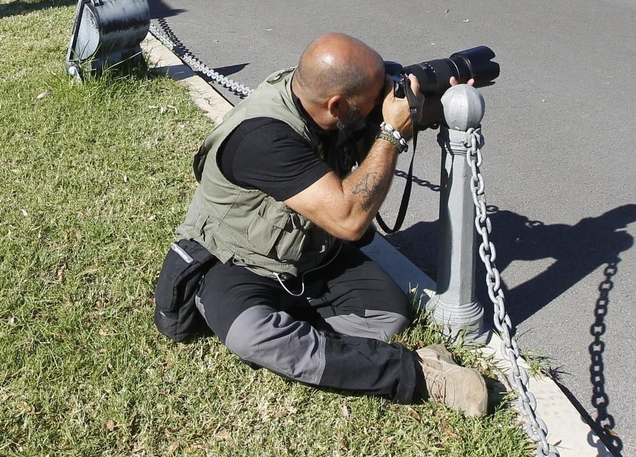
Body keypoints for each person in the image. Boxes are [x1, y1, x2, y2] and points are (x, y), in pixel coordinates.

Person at [166, 33, 489, 416]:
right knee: (251, 335)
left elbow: (399, 112)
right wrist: (390, 134)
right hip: (238, 263)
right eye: (375, 96)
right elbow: (349, 219)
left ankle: (304, 340)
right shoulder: (263, 139)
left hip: (312, 257)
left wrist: (451, 100)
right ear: (337, 105)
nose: (382, 98)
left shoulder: (324, 98)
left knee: (390, 315)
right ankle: (421, 374)